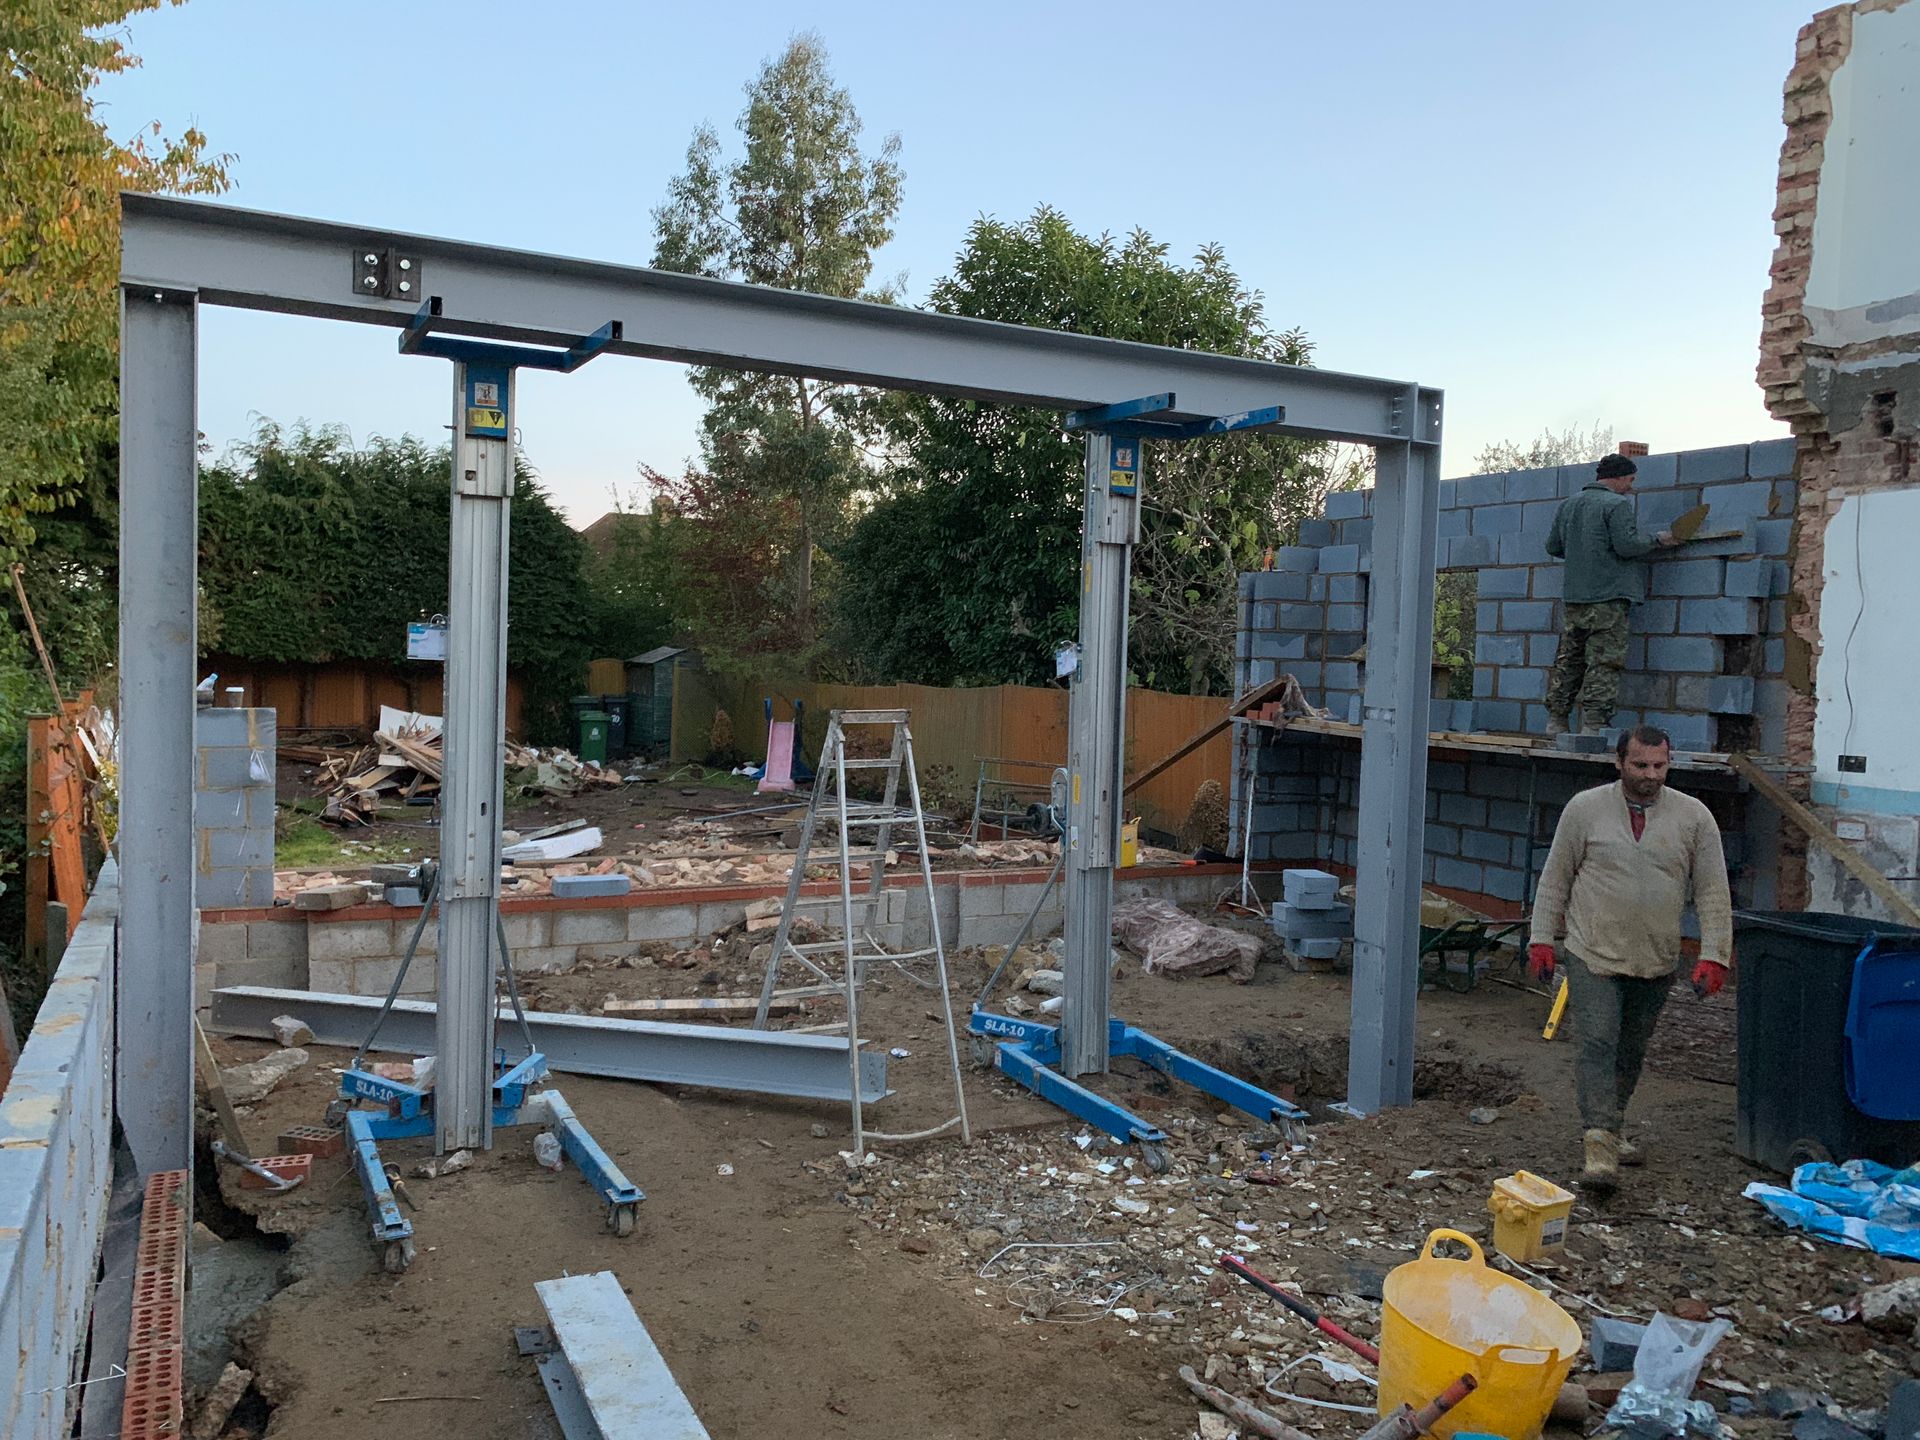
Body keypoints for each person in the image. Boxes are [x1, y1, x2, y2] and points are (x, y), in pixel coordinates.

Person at [1526, 725, 1733, 1193]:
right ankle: (1598, 1144)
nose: (1651, 775)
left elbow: (1713, 891)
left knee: (1631, 1049)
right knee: (1598, 1042)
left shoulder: (1694, 818)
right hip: (1592, 951)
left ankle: (1612, 1125)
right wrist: (1541, 939)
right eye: (1640, 765)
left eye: (1660, 766)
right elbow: (1555, 878)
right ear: (1619, 763)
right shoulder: (1585, 810)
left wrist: (1715, 955)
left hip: (1655, 959)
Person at [1542, 454, 1679, 738]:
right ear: (1617, 477)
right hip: (1609, 597)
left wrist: (1583, 551)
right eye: (1630, 480)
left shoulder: (1569, 504)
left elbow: (1553, 546)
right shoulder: (1616, 504)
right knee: (1604, 661)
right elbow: (1627, 546)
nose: (1631, 487)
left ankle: (1556, 721)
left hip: (1575, 598)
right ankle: (1593, 725)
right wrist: (1658, 540)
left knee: (1570, 660)